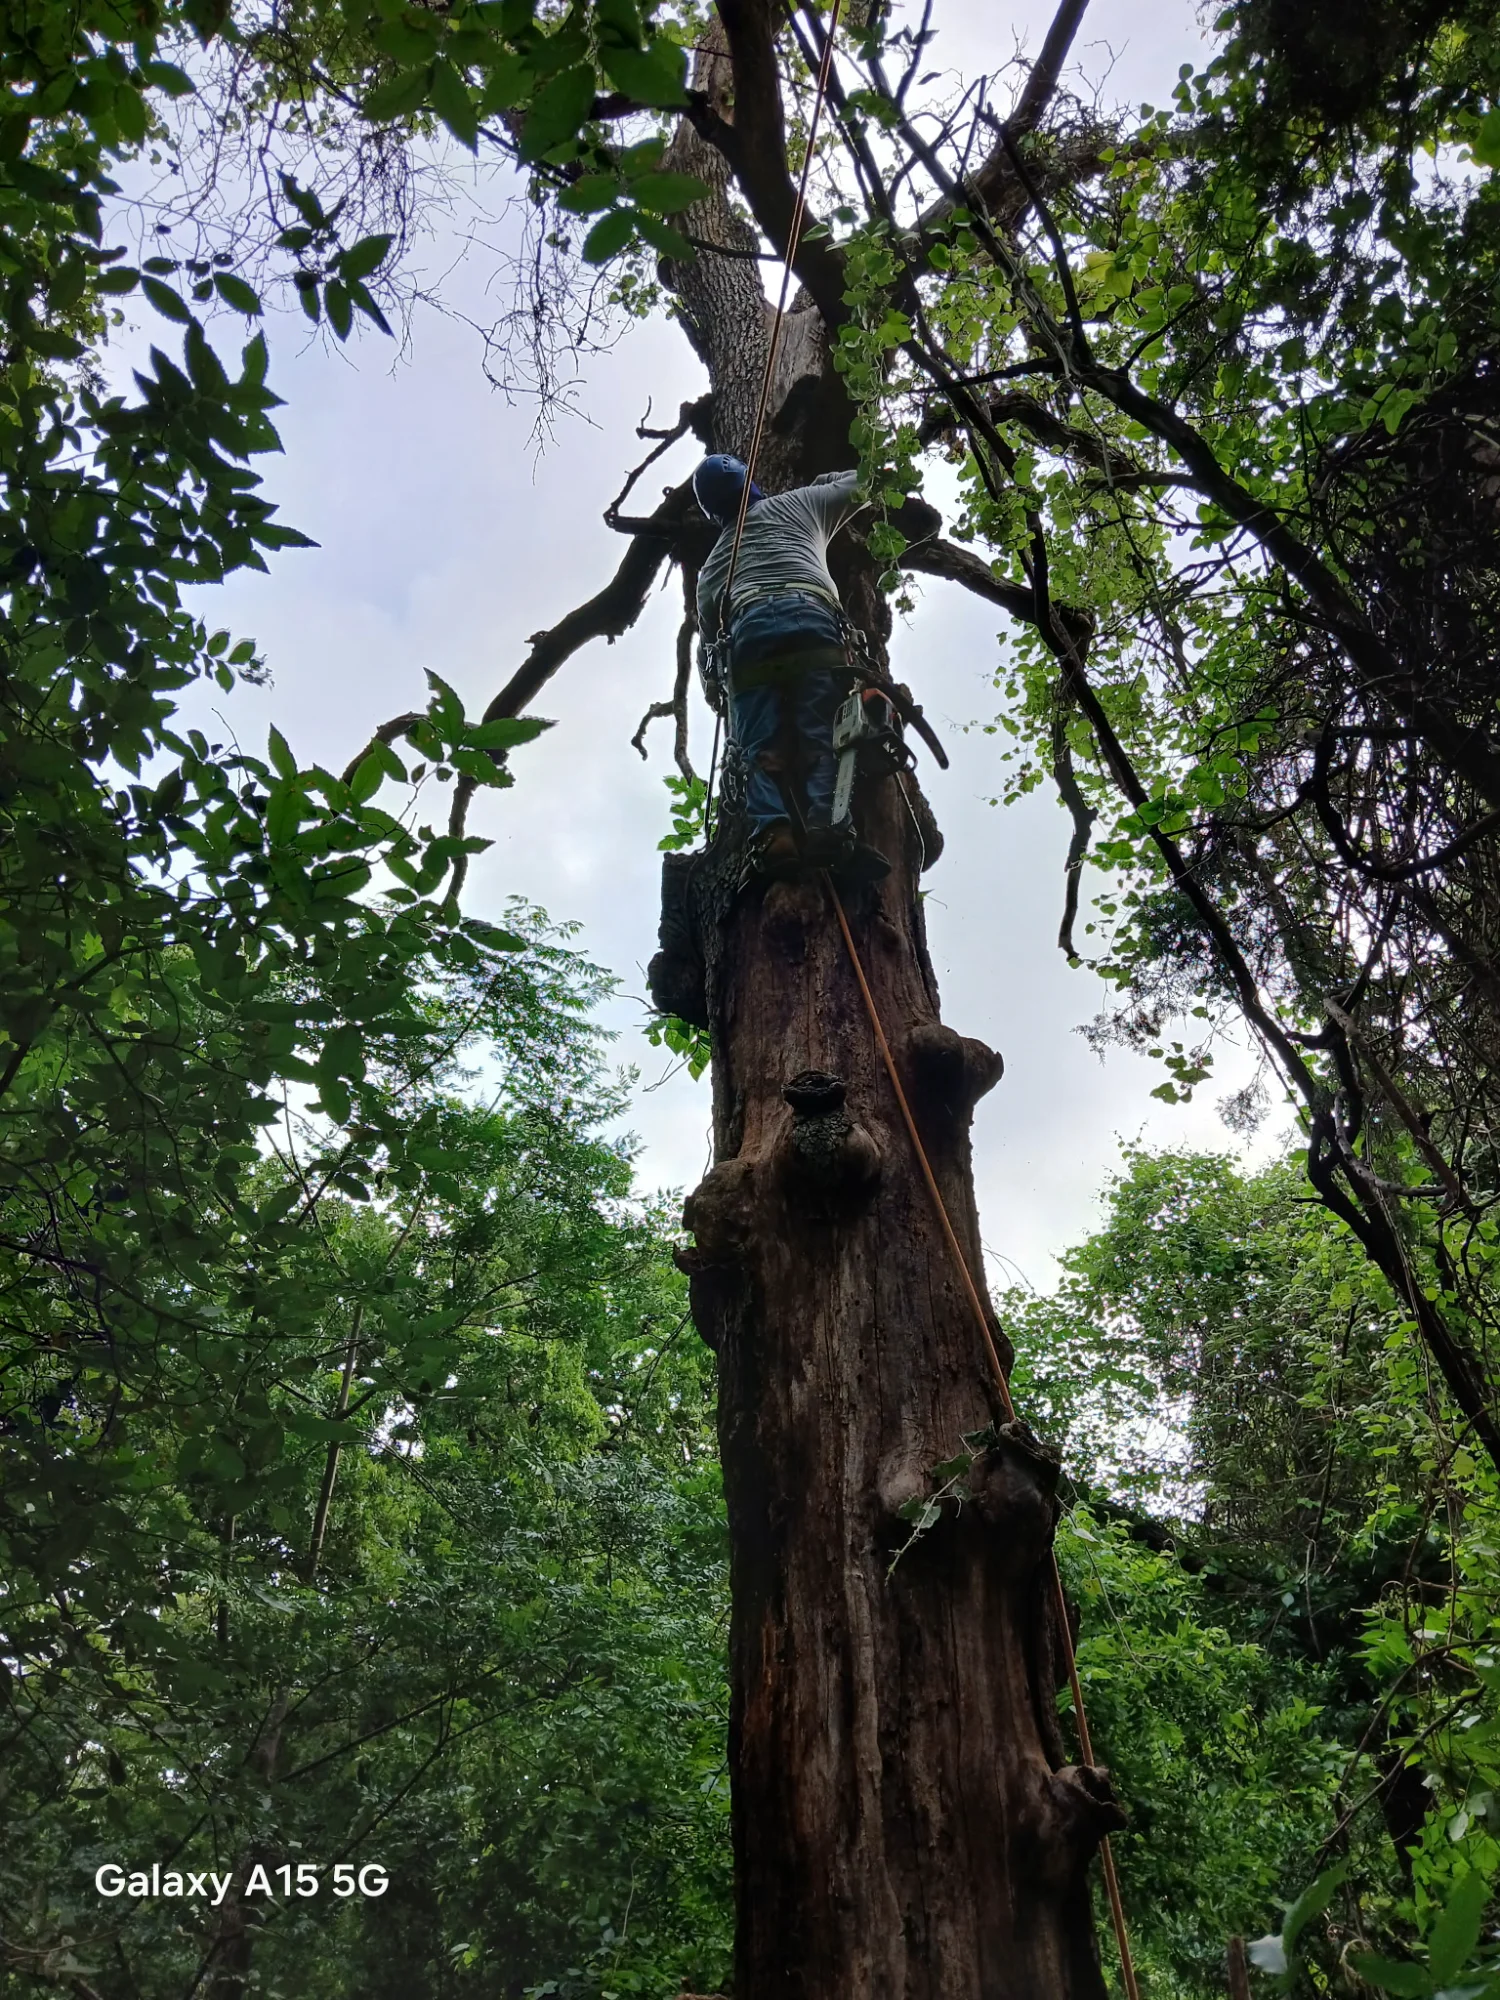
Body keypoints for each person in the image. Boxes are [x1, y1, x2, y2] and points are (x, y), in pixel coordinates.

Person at [694, 454, 885, 878]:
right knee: (824, 729)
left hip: (748, 635)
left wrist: (716, 692)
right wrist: (823, 477)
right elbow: (867, 480)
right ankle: (827, 820)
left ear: (712, 512)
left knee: (754, 748)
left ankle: (774, 835)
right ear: (750, 481)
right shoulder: (802, 503)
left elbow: (709, 646)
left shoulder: (711, 569)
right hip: (811, 621)